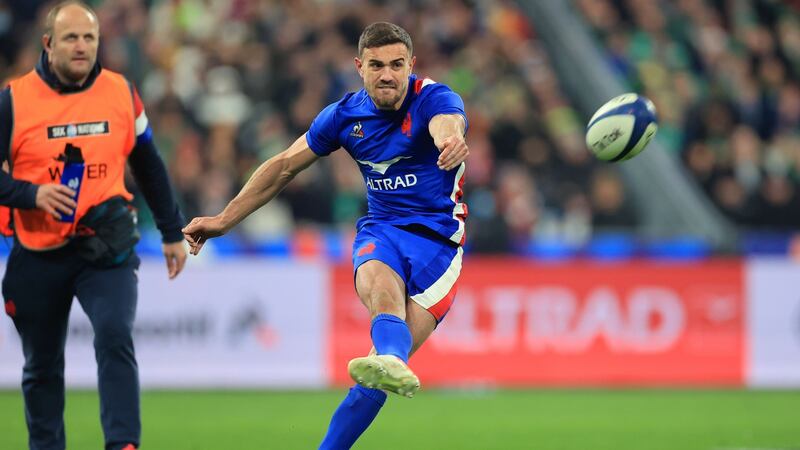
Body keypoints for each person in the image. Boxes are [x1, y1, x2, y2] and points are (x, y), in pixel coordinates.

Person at [183, 21, 469, 449]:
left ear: (412, 64)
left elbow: (447, 126)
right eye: (376, 65)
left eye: (396, 64)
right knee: (378, 281)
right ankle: (391, 355)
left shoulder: (434, 98)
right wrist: (224, 219)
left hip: (438, 244)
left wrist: (452, 141)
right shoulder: (343, 116)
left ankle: (384, 362)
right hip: (382, 228)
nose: (387, 74)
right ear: (359, 67)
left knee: (374, 378)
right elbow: (282, 166)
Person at [0, 2, 187, 449]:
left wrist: (171, 230)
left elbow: (148, 162)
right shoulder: (13, 100)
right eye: (71, 37)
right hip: (38, 251)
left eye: (89, 37)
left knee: (115, 335)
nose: (82, 46)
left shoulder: (121, 91)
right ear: (48, 44)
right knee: (41, 366)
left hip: (106, 247)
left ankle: (122, 443)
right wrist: (32, 194)